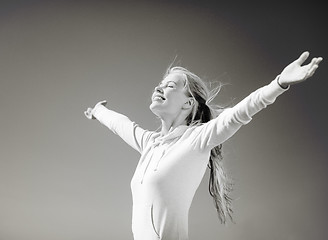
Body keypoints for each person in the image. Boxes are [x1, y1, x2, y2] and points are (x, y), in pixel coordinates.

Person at [84, 51, 322, 240]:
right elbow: (122, 124)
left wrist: (279, 83)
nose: (158, 88)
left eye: (170, 85)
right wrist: (99, 111)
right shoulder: (150, 144)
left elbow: (241, 112)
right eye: (160, 83)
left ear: (188, 103)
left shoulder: (198, 139)